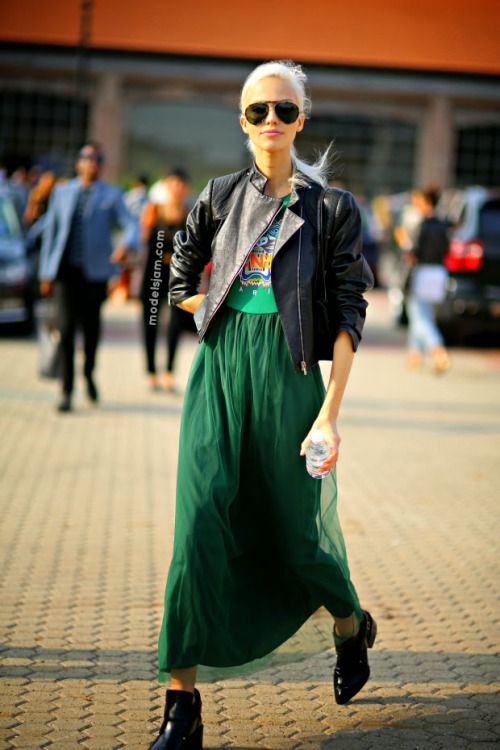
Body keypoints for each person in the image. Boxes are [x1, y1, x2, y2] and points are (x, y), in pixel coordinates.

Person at [149, 61, 375, 750]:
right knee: (198, 528)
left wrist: (329, 412)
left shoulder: (331, 208)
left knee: (297, 535)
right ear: (242, 121)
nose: (270, 121)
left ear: (301, 119)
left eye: (283, 110)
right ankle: (180, 709)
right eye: (257, 111)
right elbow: (171, 276)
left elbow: (348, 314)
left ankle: (349, 624)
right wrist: (210, 298)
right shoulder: (217, 198)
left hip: (291, 377)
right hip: (219, 373)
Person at [39, 142, 138, 412]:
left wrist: (125, 246)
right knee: (67, 330)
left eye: (96, 158)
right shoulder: (61, 192)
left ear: (101, 165)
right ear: (78, 163)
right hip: (65, 273)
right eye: (86, 157)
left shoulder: (112, 194)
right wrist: (45, 273)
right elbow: (51, 231)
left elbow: (131, 223)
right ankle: (66, 390)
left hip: (96, 275)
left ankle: (89, 374)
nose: (91, 162)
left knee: (91, 331)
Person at [139, 169, 196, 391]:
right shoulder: (153, 210)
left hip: (178, 275)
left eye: (181, 184)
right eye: (173, 184)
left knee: (176, 324)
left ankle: (169, 372)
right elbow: (143, 238)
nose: (177, 188)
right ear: (166, 186)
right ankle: (151, 371)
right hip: (154, 273)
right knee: (151, 322)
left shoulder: (190, 214)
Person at [405, 186, 450, 372]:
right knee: (425, 314)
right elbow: (447, 249)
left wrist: (404, 243)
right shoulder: (444, 224)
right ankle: (414, 355)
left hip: (422, 272)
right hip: (439, 272)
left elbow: (412, 252)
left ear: (427, 202)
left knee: (418, 316)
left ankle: (437, 349)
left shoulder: (422, 225)